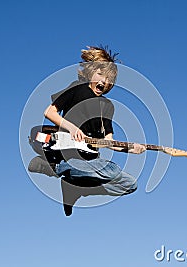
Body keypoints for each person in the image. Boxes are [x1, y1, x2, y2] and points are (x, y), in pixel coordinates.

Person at [29, 46, 146, 216]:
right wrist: (72, 127)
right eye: (100, 74)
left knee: (130, 184)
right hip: (67, 153)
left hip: (90, 162)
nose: (104, 81)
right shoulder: (77, 89)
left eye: (108, 79)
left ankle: (76, 190)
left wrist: (130, 148)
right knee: (111, 171)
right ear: (90, 72)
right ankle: (55, 167)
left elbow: (109, 142)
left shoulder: (108, 106)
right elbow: (49, 112)